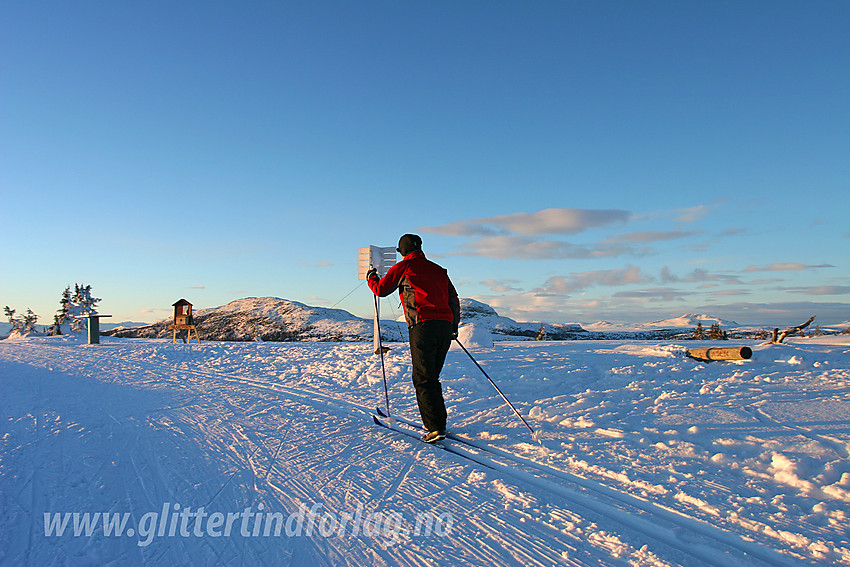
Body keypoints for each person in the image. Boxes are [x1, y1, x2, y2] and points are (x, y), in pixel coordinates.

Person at [367, 234, 460, 443]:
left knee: (423, 378)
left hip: (422, 325)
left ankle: (436, 428)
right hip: (444, 327)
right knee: (431, 376)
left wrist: (370, 277)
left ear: (403, 252)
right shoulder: (439, 270)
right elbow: (453, 299)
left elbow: (381, 290)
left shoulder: (405, 267)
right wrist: (453, 327)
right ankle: (438, 423)